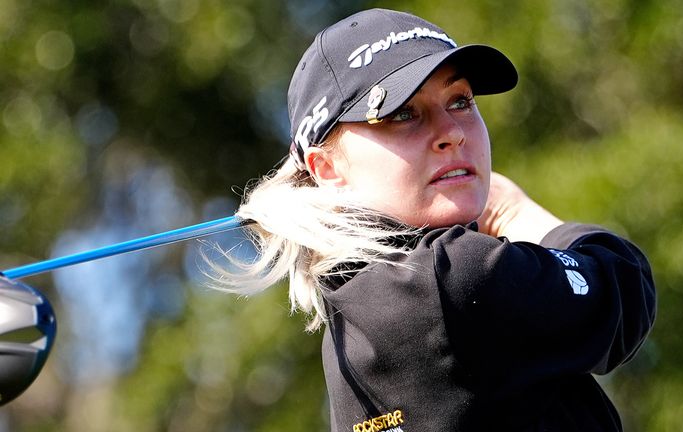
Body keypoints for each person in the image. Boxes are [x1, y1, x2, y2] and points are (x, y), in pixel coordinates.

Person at [217, 8, 656, 431]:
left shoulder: (350, 318)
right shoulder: (453, 277)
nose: (453, 132)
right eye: (403, 113)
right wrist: (513, 211)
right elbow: (625, 282)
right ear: (328, 169)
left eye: (460, 101)